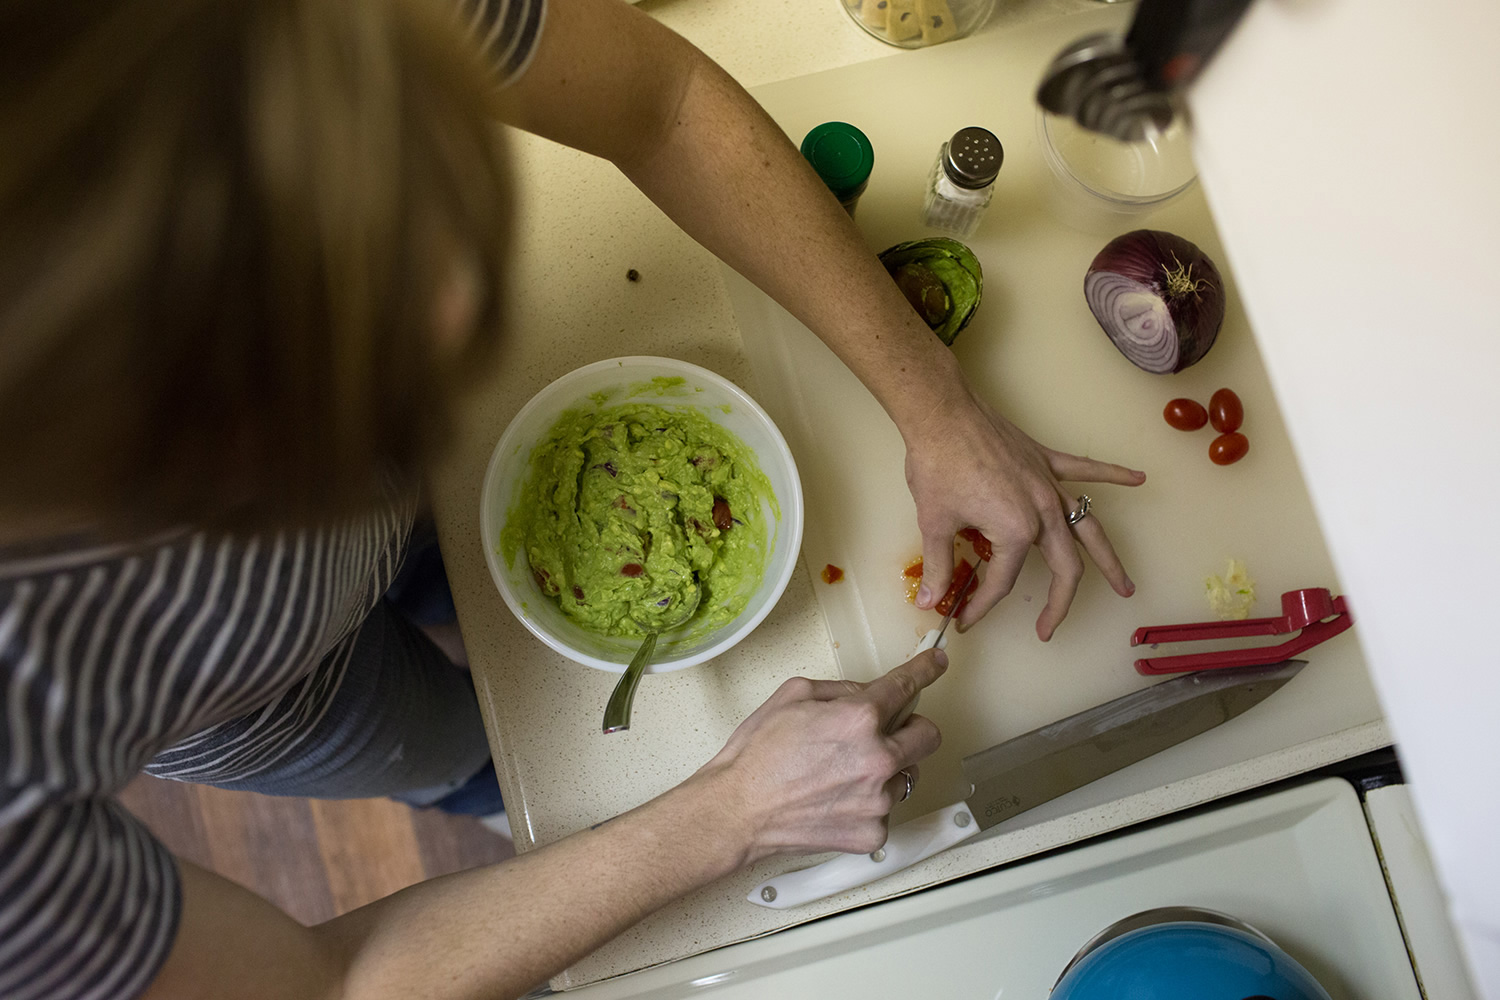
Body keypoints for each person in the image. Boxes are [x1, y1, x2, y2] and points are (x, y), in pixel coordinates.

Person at [0, 1, 1144, 998]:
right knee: (452, 751)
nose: (459, 344)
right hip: (262, 697)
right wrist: (731, 813)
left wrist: (932, 399)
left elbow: (655, 95)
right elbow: (330, 981)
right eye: (344, 377)